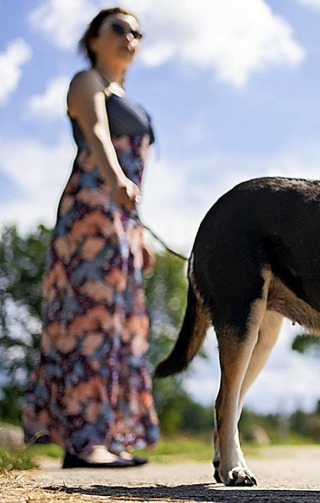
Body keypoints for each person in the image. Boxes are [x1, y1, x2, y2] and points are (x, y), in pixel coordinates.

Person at [22, 6, 159, 468]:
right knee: (88, 324)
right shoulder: (87, 82)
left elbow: (140, 174)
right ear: (94, 38)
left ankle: (104, 434)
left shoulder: (131, 99)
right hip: (89, 218)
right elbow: (98, 134)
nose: (129, 38)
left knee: (118, 329)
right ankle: (83, 443)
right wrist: (118, 181)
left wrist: (137, 231)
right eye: (118, 29)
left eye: (137, 32)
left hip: (120, 221)